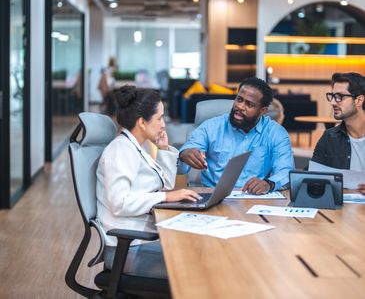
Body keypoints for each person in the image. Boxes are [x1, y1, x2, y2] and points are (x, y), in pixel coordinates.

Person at [96, 85, 200, 267]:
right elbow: (119, 203)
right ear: (142, 122)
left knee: (196, 250)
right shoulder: (121, 150)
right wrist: (167, 197)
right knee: (194, 261)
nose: (163, 124)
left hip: (138, 239)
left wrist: (164, 150)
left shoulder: (136, 146)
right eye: (159, 118)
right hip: (127, 249)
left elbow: (164, 186)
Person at [179, 77, 294, 194]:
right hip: (214, 196)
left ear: (262, 111)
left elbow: (286, 172)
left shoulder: (276, 133)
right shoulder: (211, 126)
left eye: (249, 105)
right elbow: (182, 164)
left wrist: (269, 184)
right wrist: (183, 155)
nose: (240, 107)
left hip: (254, 198)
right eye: (239, 99)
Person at [311, 72, 365, 194]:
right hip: (340, 209)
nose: (333, 102)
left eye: (340, 97)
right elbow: (310, 176)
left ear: (359, 100)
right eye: (333, 96)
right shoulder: (329, 137)